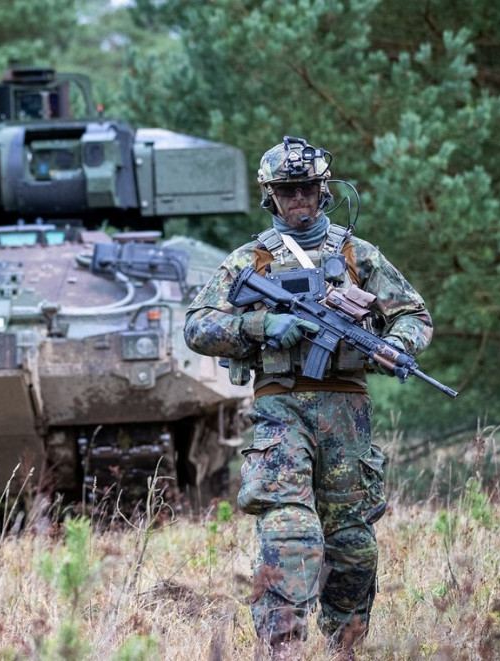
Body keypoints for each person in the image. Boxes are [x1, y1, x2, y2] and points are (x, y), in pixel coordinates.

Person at [183, 136, 433, 659]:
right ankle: (283, 647)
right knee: (290, 532)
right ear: (270, 197)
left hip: (347, 417)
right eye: (286, 190)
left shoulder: (357, 254)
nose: (298, 199)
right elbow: (198, 326)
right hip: (282, 411)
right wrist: (260, 324)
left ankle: (345, 646)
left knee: (352, 545)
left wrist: (393, 345)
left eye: (307, 189)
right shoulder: (250, 259)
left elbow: (414, 314)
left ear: (324, 192)